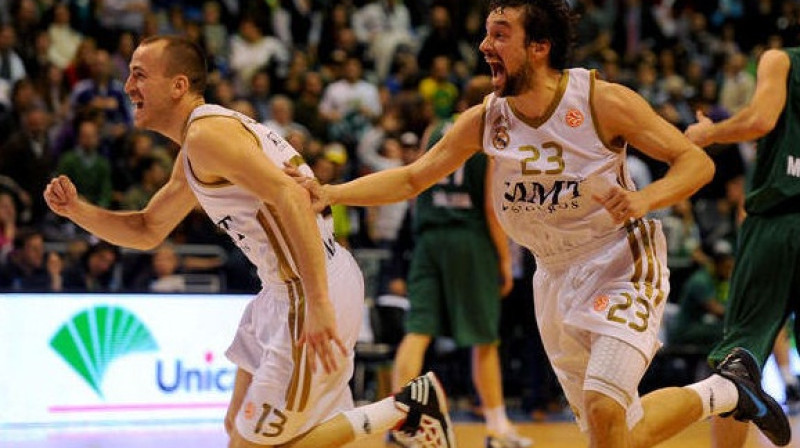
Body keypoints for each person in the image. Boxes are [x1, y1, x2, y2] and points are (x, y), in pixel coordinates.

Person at [287, 1, 789, 447]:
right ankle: (725, 389)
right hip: (551, 274)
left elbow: (695, 163)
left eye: (501, 33)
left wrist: (643, 199)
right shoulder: (486, 119)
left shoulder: (601, 100)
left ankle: (724, 389)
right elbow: (413, 178)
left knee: (604, 406)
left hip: (620, 260)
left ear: (540, 47)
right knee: (614, 434)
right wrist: (330, 192)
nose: (485, 44)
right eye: (487, 32)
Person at [43, 35, 456, 448]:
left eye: (139, 75)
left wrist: (318, 302)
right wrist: (79, 211)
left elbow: (292, 195)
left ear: (179, 85)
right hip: (283, 289)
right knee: (237, 427)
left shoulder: (208, 136)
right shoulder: (199, 145)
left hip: (307, 287)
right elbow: (149, 229)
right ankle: (406, 409)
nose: (128, 86)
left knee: (254, 445)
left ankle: (407, 407)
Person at [388, 75, 530, 448]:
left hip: (430, 238)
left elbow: (414, 185)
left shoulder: (436, 129)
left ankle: (403, 424)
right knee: (484, 340)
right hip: (471, 240)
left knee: (417, 332)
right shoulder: (490, 137)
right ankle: (498, 429)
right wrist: (504, 260)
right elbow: (490, 204)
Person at [685, 46, 800, 448]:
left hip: (781, 219)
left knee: (739, 358)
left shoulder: (782, 60)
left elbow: (760, 119)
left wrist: (710, 132)